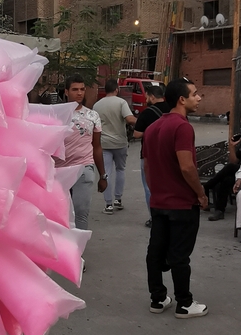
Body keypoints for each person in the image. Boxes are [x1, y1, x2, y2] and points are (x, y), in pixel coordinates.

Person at [141, 77, 209, 318]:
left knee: (155, 251)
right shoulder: (182, 127)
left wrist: (156, 190)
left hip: (159, 202)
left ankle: (158, 298)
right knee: (180, 255)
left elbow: (147, 165)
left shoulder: (153, 127)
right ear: (182, 99)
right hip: (181, 202)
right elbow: (187, 167)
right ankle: (184, 303)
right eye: (195, 94)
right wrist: (200, 194)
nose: (198, 98)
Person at [58, 74, 107, 231]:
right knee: (60, 212)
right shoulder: (56, 115)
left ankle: (77, 252)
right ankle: (61, 248)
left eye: (82, 89)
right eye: (74, 90)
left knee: (81, 211)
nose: (79, 93)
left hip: (84, 168)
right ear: (66, 92)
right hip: (59, 171)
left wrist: (103, 175)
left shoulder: (92, 116)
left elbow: (97, 147)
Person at [93, 78, 136, 213]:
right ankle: (118, 199)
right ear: (117, 89)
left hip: (103, 143)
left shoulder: (97, 105)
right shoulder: (121, 102)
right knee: (120, 170)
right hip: (120, 143)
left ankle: (108, 204)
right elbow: (129, 119)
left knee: (106, 173)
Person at [203, 120, 241, 222]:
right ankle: (219, 211)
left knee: (230, 167)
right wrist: (232, 146)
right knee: (226, 180)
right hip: (239, 172)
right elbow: (234, 160)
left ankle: (207, 186)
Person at [132, 84, 167, 225]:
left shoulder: (147, 113)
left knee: (149, 186)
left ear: (152, 96)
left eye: (147, 96)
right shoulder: (171, 109)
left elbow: (137, 134)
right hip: (168, 153)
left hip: (149, 154)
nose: (146, 98)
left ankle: (154, 217)